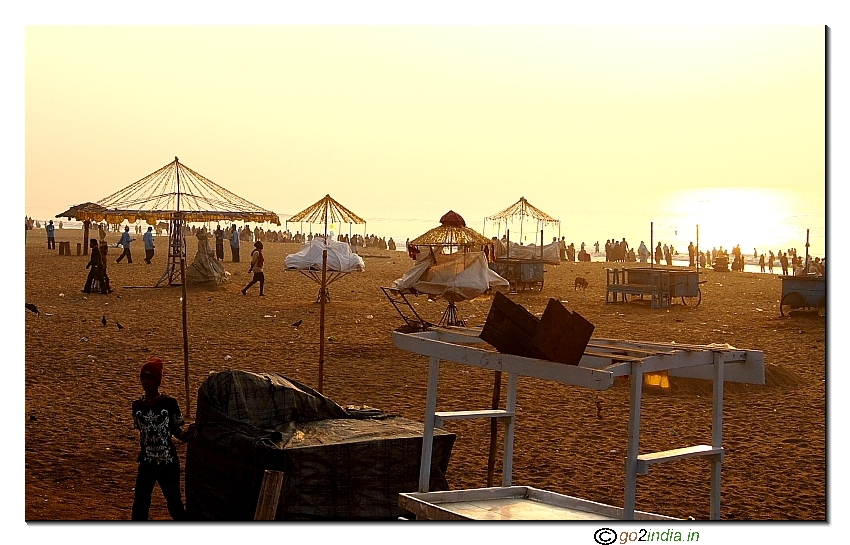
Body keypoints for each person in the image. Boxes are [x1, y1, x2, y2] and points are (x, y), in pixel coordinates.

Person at [131, 357, 194, 520]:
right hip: (147, 462)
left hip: (168, 462)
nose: (145, 382)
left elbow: (176, 431)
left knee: (174, 504)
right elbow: (142, 435)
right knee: (140, 505)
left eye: (150, 377)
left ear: (158, 380)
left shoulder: (169, 404)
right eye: (143, 378)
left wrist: (188, 436)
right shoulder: (137, 406)